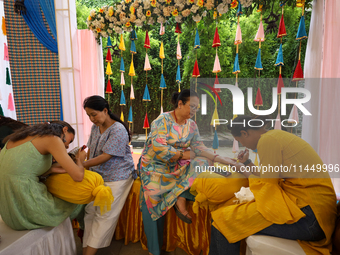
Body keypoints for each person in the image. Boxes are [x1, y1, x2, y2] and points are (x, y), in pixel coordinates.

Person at [209, 115, 337, 255]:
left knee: (222, 220)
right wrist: (247, 163)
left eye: (240, 140)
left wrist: (243, 170)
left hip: (309, 217)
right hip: (316, 215)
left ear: (245, 133)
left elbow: (266, 186)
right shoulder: (275, 136)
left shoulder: (267, 140)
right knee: (222, 217)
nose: (243, 145)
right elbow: (268, 177)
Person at [139, 89, 236, 255]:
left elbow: (199, 148)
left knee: (203, 161)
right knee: (152, 198)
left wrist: (223, 159)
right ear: (180, 104)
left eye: (196, 108)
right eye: (192, 106)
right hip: (155, 166)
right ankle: (154, 251)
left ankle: (181, 195)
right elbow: (160, 148)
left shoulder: (192, 125)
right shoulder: (162, 121)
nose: (194, 111)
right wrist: (185, 154)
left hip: (178, 165)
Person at [0, 121, 86, 230]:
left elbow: (22, 169)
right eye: (70, 140)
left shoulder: (20, 137)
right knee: (81, 198)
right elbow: (78, 176)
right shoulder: (53, 139)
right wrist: (80, 159)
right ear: (64, 130)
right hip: (25, 206)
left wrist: (51, 170)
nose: (68, 145)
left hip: (8, 210)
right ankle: (84, 233)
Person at [82, 95, 135, 255]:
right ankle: (85, 249)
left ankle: (88, 252)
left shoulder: (118, 129)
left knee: (104, 214)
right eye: (88, 115)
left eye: (94, 114)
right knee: (90, 211)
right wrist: (86, 168)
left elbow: (106, 156)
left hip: (118, 176)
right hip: (97, 175)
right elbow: (91, 150)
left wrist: (81, 165)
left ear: (105, 110)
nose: (92, 119)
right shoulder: (95, 127)